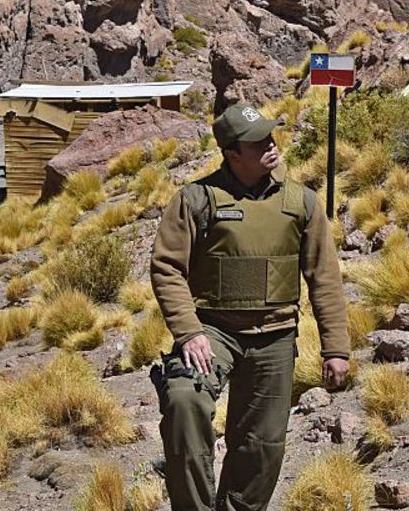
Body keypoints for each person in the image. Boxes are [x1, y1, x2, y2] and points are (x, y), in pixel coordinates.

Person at [150, 103, 350, 511]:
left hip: (275, 337)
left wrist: (336, 349)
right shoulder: (197, 200)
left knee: (263, 445)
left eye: (271, 136)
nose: (270, 146)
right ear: (232, 153)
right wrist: (189, 333)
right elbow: (167, 268)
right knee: (184, 400)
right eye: (257, 142)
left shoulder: (302, 203)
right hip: (213, 331)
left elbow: (324, 278)